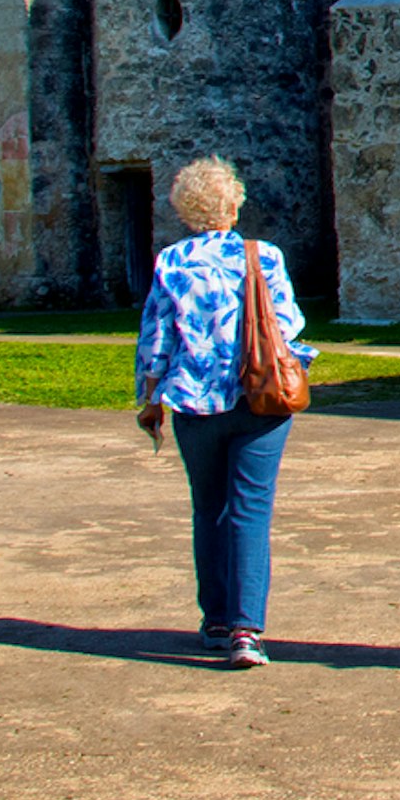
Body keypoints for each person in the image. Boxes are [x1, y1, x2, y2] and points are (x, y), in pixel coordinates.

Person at [131, 157, 313, 668]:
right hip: (260, 399)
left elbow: (156, 341)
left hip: (194, 402)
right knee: (251, 510)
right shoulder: (265, 257)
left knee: (208, 507)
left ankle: (214, 619)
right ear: (233, 204)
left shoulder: (171, 262)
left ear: (186, 211)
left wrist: (150, 399)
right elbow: (289, 324)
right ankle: (246, 631)